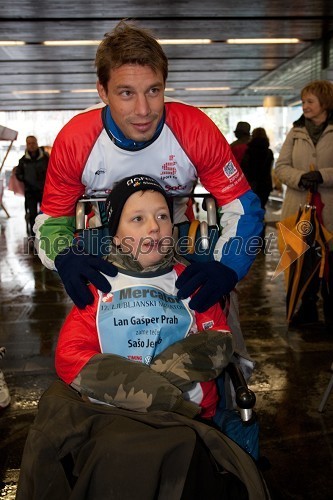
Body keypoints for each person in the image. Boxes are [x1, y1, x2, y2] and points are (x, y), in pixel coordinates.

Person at [16, 176, 268, 500]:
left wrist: (168, 372)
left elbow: (219, 338)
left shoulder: (190, 280)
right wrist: (145, 388)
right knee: (118, 454)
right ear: (117, 238)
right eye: (138, 218)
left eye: (162, 216)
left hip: (186, 417)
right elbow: (70, 354)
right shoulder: (98, 283)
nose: (154, 227)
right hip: (115, 413)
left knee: (181, 458)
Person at [34, 20, 263, 314]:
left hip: (182, 242)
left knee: (219, 319)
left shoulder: (195, 129)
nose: (143, 110)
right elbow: (53, 220)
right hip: (105, 245)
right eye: (126, 93)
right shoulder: (76, 139)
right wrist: (64, 257)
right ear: (102, 92)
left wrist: (229, 268)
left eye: (153, 91)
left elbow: (242, 206)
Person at [275, 80, 333, 328]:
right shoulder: (295, 131)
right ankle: (306, 309)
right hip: (299, 210)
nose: (305, 106)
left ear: (325, 103)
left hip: (328, 210)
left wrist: (323, 175)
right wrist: (300, 178)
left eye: (310, 101)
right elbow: (281, 167)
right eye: (303, 101)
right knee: (302, 259)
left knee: (330, 260)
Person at [15, 135, 49, 239]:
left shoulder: (45, 158)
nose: (31, 145)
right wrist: (25, 179)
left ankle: (46, 234)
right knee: (32, 215)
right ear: (26, 145)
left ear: (37, 143)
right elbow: (18, 173)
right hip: (30, 192)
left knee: (46, 214)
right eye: (29, 143)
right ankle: (34, 237)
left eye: (33, 143)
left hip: (44, 192)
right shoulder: (23, 160)